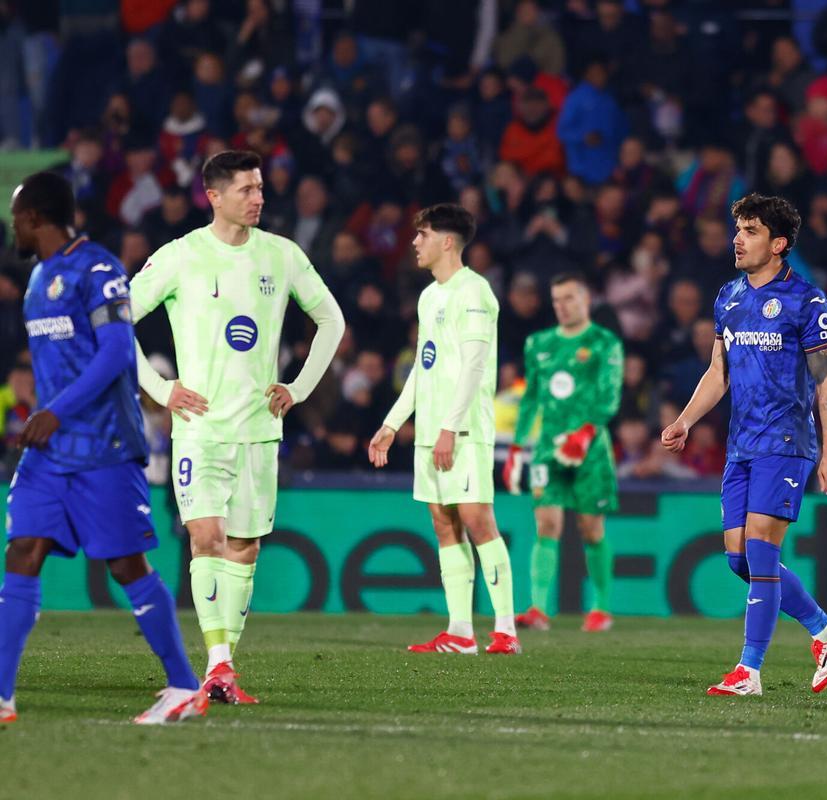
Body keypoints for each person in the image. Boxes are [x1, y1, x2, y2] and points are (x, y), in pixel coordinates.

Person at [129, 151, 346, 704]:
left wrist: (298, 387)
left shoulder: (282, 254)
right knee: (206, 537)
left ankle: (222, 667)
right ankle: (218, 661)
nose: (258, 198)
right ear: (214, 196)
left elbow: (331, 319)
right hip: (199, 429)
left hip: (258, 430)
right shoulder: (180, 256)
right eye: (247, 189)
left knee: (244, 547)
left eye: (260, 188)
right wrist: (161, 389)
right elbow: (114, 321)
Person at [2, 172, 205, 725]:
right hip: (51, 451)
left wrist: (56, 411)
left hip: (104, 444)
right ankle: (1, 695)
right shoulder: (39, 277)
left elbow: (116, 353)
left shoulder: (99, 270)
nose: (13, 228)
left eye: (16, 218)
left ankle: (183, 685)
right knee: (22, 551)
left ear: (35, 217)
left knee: (126, 564)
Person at [660, 193, 827, 697]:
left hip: (786, 441)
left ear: (778, 244)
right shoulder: (728, 297)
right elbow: (718, 372)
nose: (738, 239)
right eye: (738, 229)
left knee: (762, 552)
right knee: (738, 559)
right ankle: (825, 629)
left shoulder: (806, 300)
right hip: (741, 444)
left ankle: (749, 670)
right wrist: (685, 420)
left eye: (750, 231)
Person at [368, 204, 520, 656]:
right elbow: (424, 365)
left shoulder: (474, 292)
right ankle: (460, 631)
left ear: (447, 241)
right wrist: (392, 423)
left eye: (423, 234)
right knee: (443, 522)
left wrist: (450, 428)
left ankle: (506, 630)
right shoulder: (429, 296)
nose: (415, 242)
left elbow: (474, 366)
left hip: (463, 429)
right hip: (431, 431)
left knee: (477, 519)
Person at [503, 272, 623, 632]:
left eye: (569, 298)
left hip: (591, 450)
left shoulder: (604, 343)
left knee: (591, 528)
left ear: (585, 300)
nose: (562, 306)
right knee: (546, 524)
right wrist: (516, 447)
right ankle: (538, 609)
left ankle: (601, 608)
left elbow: (609, 396)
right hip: (548, 448)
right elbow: (530, 398)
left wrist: (584, 434)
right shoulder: (539, 343)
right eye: (556, 300)